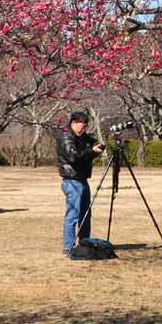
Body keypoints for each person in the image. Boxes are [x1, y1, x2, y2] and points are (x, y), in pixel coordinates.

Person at [55, 109, 100, 257]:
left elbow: (94, 143)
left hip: (82, 179)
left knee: (86, 215)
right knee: (73, 215)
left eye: (85, 124)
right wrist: (92, 152)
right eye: (81, 124)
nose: (83, 127)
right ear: (73, 123)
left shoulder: (82, 137)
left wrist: (99, 146)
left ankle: (84, 244)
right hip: (71, 180)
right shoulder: (65, 137)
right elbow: (73, 157)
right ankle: (68, 247)